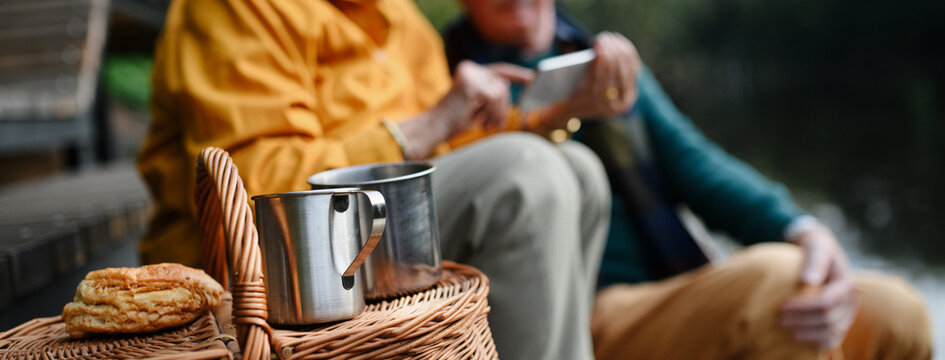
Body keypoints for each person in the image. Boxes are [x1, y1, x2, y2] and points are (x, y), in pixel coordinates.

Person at [444, 0, 932, 359]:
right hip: (581, 307)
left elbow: (695, 164)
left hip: (671, 287)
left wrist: (803, 227)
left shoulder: (600, 62)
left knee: (899, 310)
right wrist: (554, 114)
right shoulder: (451, 78)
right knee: (782, 288)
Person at [136, 0, 610, 359]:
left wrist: (556, 113)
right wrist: (423, 127)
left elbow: (455, 157)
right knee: (528, 177)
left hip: (380, 234)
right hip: (276, 266)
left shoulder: (402, 18)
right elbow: (257, 192)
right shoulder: (238, 9)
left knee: (581, 170)